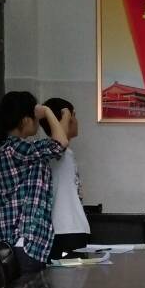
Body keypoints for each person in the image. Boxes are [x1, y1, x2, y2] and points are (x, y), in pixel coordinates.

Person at [0, 92, 70, 273]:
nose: (38, 122)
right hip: (22, 242)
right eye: (35, 117)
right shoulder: (17, 149)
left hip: (6, 242)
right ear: (25, 120)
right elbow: (60, 143)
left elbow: (57, 144)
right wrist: (47, 111)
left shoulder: (2, 149)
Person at [39, 97, 91, 260]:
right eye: (73, 116)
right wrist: (65, 116)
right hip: (64, 229)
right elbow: (58, 143)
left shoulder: (65, 153)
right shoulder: (54, 153)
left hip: (73, 228)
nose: (76, 121)